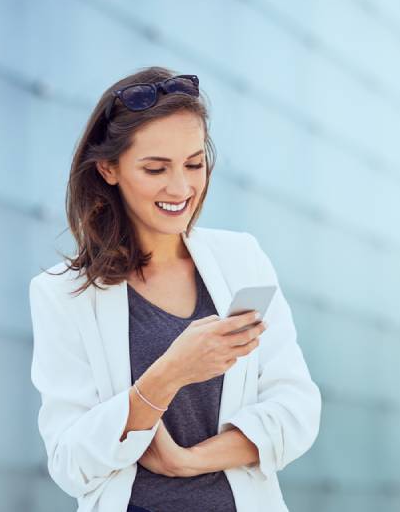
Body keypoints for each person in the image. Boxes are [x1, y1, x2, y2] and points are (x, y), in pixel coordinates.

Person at [28, 66, 321, 512]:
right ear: (108, 168)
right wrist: (170, 374)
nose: (181, 188)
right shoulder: (62, 295)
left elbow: (297, 410)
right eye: (155, 168)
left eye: (194, 163)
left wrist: (186, 461)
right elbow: (71, 462)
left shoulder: (243, 260)